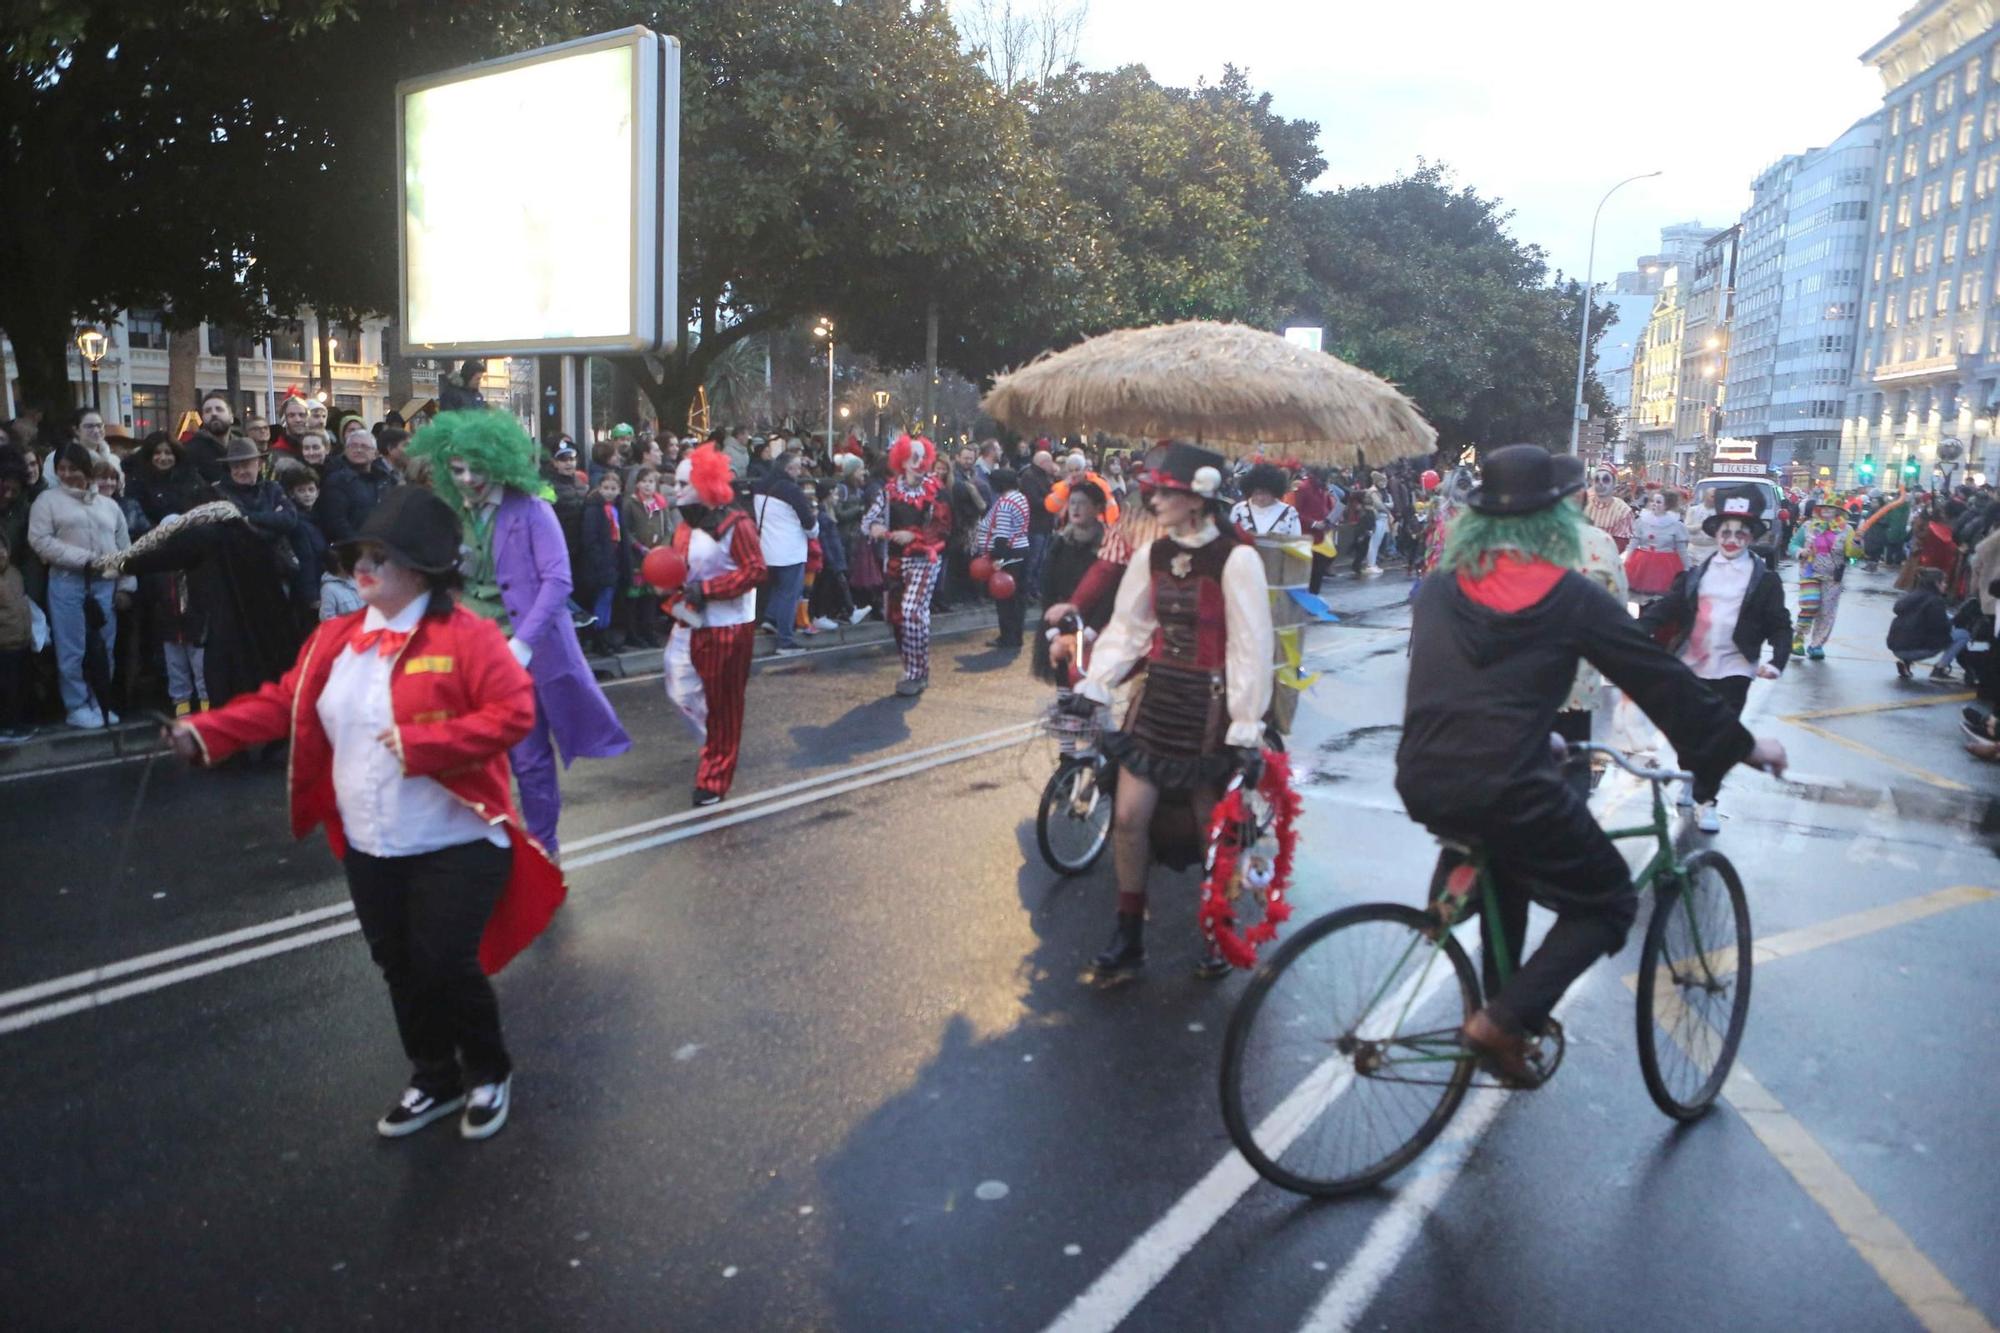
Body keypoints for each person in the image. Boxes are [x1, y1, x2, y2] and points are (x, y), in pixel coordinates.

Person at [168, 486, 561, 1141]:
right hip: (369, 840)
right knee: (399, 964)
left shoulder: (468, 637)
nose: (364, 565)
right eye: (361, 553)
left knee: (444, 961)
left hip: (455, 837)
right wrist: (207, 732)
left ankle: (488, 1070)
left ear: (425, 570)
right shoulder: (334, 638)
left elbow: (515, 711)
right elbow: (283, 704)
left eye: (384, 555)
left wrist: (429, 744)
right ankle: (434, 1076)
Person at [1399, 446, 1786, 1083]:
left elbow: (1459, 686)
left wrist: (1537, 736)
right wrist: (1743, 744)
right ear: (1556, 517)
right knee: (1607, 902)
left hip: (1423, 773)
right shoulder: (1566, 594)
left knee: (1511, 875)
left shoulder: (1441, 588)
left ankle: (1498, 1021)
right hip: (1508, 782)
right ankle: (1499, 1023)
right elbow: (1660, 678)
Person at [1071, 443, 1274, 981]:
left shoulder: (1237, 559)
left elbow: (1250, 646)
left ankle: (1217, 925)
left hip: (1209, 707)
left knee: (1214, 827)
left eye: (1165, 490)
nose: (1152, 498)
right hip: (1158, 700)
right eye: (1153, 489)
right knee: (1129, 818)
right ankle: (1129, 934)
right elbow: (1130, 629)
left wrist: (1247, 726)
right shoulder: (1151, 555)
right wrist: (1096, 684)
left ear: (1198, 498)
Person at [414, 411, 631, 857]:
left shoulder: (533, 510)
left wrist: (522, 643)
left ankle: (541, 849)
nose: (468, 478)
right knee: (469, 755)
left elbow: (558, 582)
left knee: (529, 759)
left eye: (478, 467)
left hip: (522, 654)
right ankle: (480, 846)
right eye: (457, 469)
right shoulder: (454, 515)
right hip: (469, 653)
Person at [1637, 486, 1791, 834]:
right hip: (1692, 665)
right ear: (1717, 535)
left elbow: (1780, 625)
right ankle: (1691, 776)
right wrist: (1635, 629)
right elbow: (1668, 607)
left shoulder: (1764, 581)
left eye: (1740, 533)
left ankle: (1709, 800)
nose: (1732, 539)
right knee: (1688, 733)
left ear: (1751, 538)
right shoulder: (1697, 574)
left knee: (1719, 738)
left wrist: (1778, 661)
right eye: (1726, 532)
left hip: (1735, 668)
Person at [662, 446, 767, 806]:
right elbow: (679, 571)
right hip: (690, 619)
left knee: (724, 703)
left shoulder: (736, 525)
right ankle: (718, 741)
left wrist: (708, 589)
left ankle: (715, 776)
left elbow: (756, 570)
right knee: (680, 689)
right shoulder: (684, 528)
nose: (675, 489)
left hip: (728, 627)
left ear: (704, 484)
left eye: (682, 483)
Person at [29, 443, 134, 727]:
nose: (66, 474)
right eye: (61, 469)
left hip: (105, 584)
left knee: (105, 647)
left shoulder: (108, 505)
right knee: (72, 648)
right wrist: (84, 559)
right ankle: (76, 705)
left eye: (72, 468)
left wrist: (126, 586)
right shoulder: (47, 502)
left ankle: (101, 700)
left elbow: (125, 547)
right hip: (66, 582)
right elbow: (40, 540)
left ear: (86, 469)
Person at [864, 434, 952, 696]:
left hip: (924, 559)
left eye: (922, 457)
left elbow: (944, 528)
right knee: (898, 618)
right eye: (913, 457)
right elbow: (867, 521)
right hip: (894, 560)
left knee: (913, 611)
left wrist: (915, 536)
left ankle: (915, 673)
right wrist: (876, 528)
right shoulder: (889, 491)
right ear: (901, 459)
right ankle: (916, 668)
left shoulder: (937, 490)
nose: (919, 462)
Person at [1032, 482, 1111, 688]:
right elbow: (1047, 587)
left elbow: (1111, 592)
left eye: (1082, 504)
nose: (1075, 508)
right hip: (1061, 624)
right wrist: (1053, 630)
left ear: (1098, 508)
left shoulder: (1109, 545)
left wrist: (1091, 631)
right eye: (1072, 503)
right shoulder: (1060, 542)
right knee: (1064, 688)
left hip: (1096, 624)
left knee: (1090, 691)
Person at [750, 451, 816, 656]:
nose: (799, 471)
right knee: (790, 593)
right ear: (788, 469)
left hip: (767, 546)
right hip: (789, 548)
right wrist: (814, 529)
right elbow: (808, 520)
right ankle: (785, 641)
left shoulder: (760, 486)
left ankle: (770, 619)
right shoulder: (791, 490)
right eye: (797, 467)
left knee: (777, 588)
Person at [973, 466, 1031, 649]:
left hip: (1008, 554)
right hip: (1020, 550)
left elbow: (1002, 535)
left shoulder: (1005, 503)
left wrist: (997, 558)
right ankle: (1016, 636)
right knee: (1017, 597)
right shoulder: (1020, 497)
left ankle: (1008, 637)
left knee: (1005, 598)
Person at [318, 417, 400, 544]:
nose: (359, 450)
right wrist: (360, 546)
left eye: (364, 446)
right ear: (346, 450)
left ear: (375, 453)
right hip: (352, 550)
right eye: (353, 446)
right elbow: (336, 522)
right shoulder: (336, 481)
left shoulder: (386, 480)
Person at [577, 467, 629, 654]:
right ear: (599, 488)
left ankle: (604, 637)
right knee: (602, 601)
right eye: (606, 488)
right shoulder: (593, 509)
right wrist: (601, 562)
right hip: (600, 564)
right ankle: (599, 638)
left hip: (614, 560)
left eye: (613, 488)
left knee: (608, 601)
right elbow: (590, 539)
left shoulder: (616, 508)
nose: (609, 492)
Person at [1792, 499, 1851, 660]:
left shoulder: (1846, 529)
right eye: (1823, 507)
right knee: (1810, 604)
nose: (1826, 510)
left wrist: (1858, 542)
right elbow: (1793, 545)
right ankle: (1798, 637)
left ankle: (1816, 645)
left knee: (1827, 611)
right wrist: (1800, 551)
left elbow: (1854, 554)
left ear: (1838, 511)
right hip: (1809, 572)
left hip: (1833, 577)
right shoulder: (1808, 526)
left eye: (1830, 508)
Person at [621, 465, 673, 649]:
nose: (647, 486)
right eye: (643, 482)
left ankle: (648, 631)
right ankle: (633, 633)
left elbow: (668, 528)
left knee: (650, 598)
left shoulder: (661, 504)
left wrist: (662, 547)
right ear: (637, 484)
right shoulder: (630, 504)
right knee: (635, 598)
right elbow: (625, 531)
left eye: (651, 482)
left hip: (655, 559)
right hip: (637, 558)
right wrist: (639, 547)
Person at [1888, 567, 1970, 681]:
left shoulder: (1910, 596)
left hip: (1897, 648)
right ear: (1936, 583)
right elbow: (1941, 627)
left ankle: (1906, 662)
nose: (1946, 585)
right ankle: (1939, 669)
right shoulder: (1935, 601)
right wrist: (1953, 622)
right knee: (1963, 634)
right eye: (1944, 582)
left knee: (1915, 631)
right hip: (1917, 649)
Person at [1623, 490, 1690, 603]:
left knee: (1662, 601)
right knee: (1640, 601)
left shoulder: (1676, 525)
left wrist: (1688, 570)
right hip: (1642, 565)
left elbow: (1682, 551)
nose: (1654, 504)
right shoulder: (1641, 521)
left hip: (1666, 568)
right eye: (1653, 501)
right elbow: (1633, 544)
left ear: (1667, 505)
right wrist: (1625, 561)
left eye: (1658, 502)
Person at [1043, 451, 1120, 527]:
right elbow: (1051, 507)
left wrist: (1110, 528)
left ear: (1084, 469)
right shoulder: (1062, 486)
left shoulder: (1099, 484)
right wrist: (1065, 487)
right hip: (1071, 530)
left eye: (1077, 470)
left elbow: (1111, 507)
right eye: (1071, 471)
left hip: (1096, 530)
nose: (1074, 474)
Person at [0, 541, 29, 741]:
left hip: (20, 638)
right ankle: (7, 727)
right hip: (3, 642)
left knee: (18, 686)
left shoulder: (15, 573)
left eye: (2, 548)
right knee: (5, 688)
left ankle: (17, 723)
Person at [1229, 463, 1302, 537]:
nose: (1260, 498)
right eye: (1256, 493)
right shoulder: (1239, 510)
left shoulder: (1289, 513)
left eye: (1265, 493)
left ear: (1274, 492)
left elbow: (1296, 541)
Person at [186, 391, 237, 484]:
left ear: (231, 417)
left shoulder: (242, 447)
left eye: (219, 409)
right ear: (203, 419)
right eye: (208, 411)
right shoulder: (189, 451)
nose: (214, 413)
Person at [1583, 465, 1634, 552]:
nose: (1600, 483)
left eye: (1606, 480)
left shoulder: (1623, 511)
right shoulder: (1583, 504)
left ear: (1614, 483)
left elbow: (1620, 545)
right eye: (1597, 479)